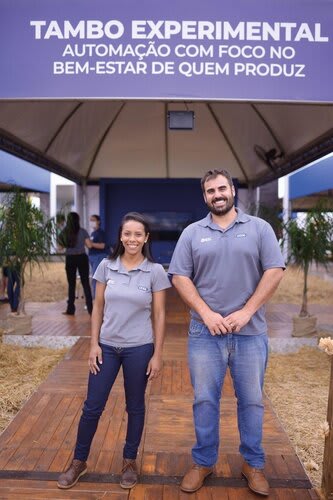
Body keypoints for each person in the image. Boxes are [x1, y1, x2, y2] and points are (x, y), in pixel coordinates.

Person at [168, 169, 285, 496]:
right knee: (205, 400)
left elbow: (275, 270)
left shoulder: (259, 229)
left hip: (251, 334)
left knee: (251, 401)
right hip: (205, 335)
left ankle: (253, 464)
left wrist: (247, 311)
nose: (217, 194)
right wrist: (206, 314)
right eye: (210, 191)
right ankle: (203, 461)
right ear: (204, 196)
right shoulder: (192, 233)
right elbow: (179, 276)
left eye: (222, 188)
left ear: (232, 190)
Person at [57, 212, 171, 490]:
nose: (132, 239)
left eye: (138, 234)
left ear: (146, 238)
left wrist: (157, 354)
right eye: (127, 233)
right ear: (121, 236)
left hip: (140, 349)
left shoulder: (155, 271)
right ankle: (79, 461)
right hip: (106, 347)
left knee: (135, 406)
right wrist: (93, 344)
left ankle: (129, 461)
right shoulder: (106, 266)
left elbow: (159, 314)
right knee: (92, 407)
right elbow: (97, 308)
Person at [58, 212, 93, 315]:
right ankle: (91, 309)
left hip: (70, 259)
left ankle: (70, 309)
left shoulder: (64, 232)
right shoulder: (83, 231)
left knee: (71, 284)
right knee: (85, 283)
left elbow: (60, 248)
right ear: (78, 220)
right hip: (82, 258)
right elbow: (89, 245)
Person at [88, 214, 109, 298]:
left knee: (97, 278)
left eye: (93, 220)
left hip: (99, 256)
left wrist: (91, 244)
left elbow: (102, 246)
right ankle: (96, 297)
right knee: (95, 277)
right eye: (90, 220)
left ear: (98, 221)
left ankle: (97, 298)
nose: (91, 222)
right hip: (92, 257)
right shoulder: (93, 233)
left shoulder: (100, 233)